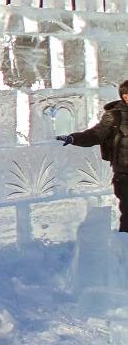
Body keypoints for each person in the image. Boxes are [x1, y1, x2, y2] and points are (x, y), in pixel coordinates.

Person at [57, 79, 128, 232]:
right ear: (123, 96)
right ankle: (124, 243)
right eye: (126, 94)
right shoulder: (115, 116)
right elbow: (95, 135)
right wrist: (74, 138)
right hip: (124, 175)